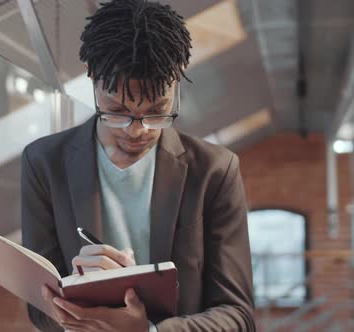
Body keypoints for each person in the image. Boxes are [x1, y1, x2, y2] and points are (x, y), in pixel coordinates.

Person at [20, 0, 255, 331]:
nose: (137, 129)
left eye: (157, 111)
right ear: (91, 77)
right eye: (116, 110)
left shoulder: (215, 170)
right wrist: (73, 301)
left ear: (175, 83)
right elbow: (38, 308)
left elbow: (239, 316)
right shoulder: (44, 163)